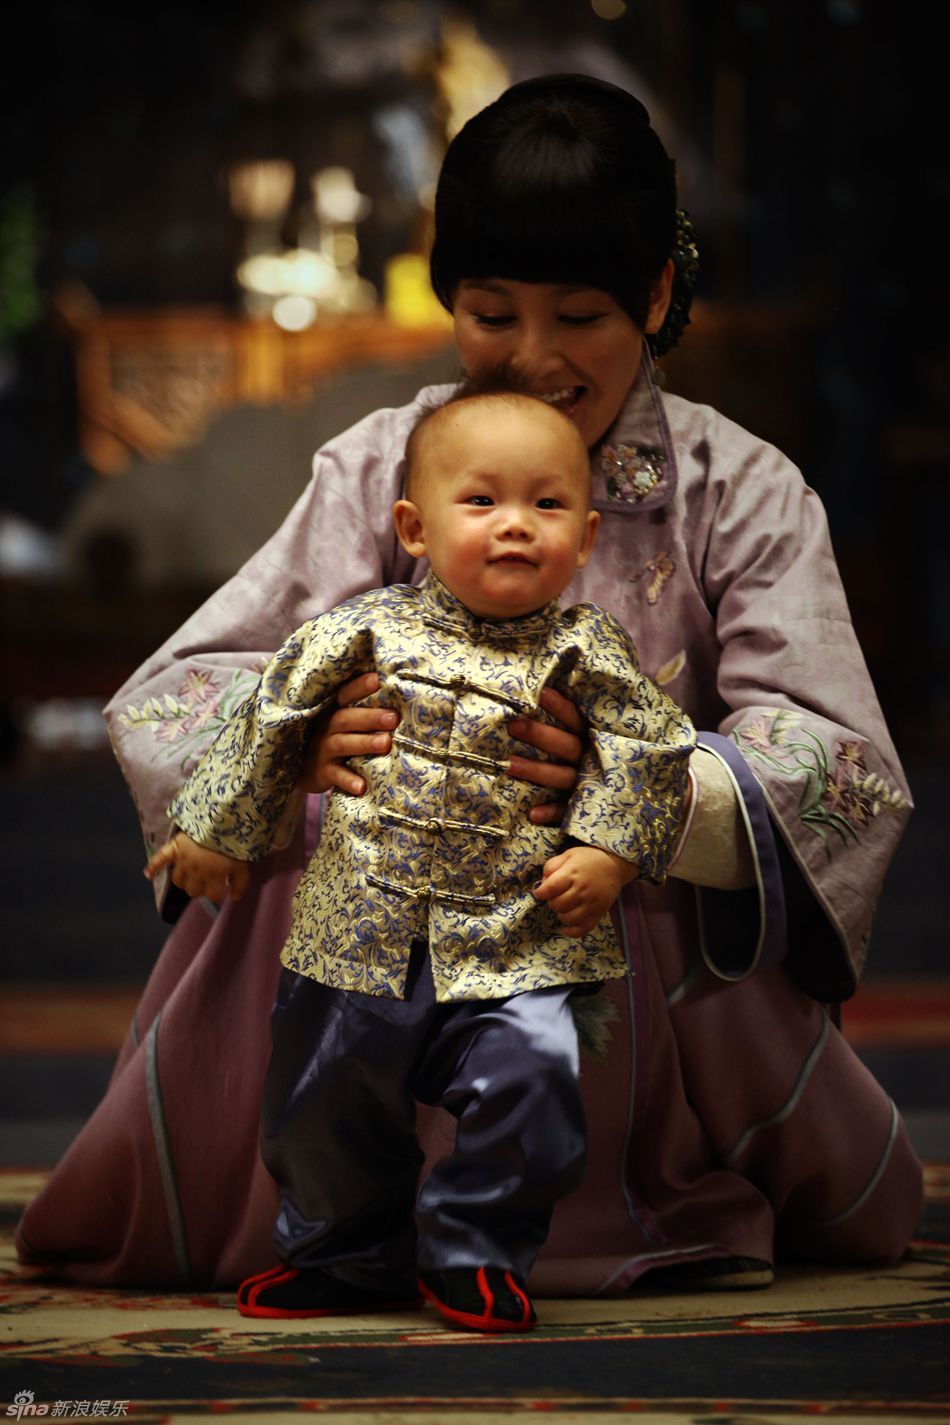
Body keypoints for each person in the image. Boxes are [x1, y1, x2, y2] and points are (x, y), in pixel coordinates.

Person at [16, 73, 923, 1300]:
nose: (533, 360)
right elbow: (190, 678)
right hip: (382, 881)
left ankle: (565, 1204)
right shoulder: (381, 465)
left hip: (617, 909)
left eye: (581, 316)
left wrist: (641, 797)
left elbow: (838, 756)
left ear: (657, 294)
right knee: (305, 814)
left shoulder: (741, 489)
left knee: (592, 856)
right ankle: (332, 1209)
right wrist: (301, 742)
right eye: (491, 313)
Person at [143, 386, 695, 1330]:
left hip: (519, 933)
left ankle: (476, 1250)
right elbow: (271, 717)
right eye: (482, 502)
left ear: (590, 535)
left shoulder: (590, 648)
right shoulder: (358, 629)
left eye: (548, 505)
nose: (517, 526)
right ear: (416, 525)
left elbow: (652, 750)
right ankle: (343, 1254)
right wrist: (212, 828)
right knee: (322, 1100)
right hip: (360, 924)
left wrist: (609, 851)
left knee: (534, 1078)